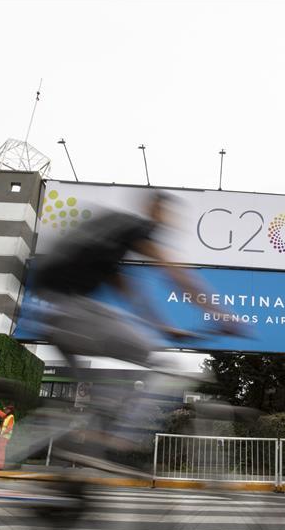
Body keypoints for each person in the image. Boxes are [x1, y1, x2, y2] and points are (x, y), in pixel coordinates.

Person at [30, 190, 243, 453]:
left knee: (100, 398)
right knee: (166, 366)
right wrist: (222, 315)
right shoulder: (136, 228)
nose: (170, 222)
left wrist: (163, 327)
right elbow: (177, 275)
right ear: (154, 208)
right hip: (72, 309)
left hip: (50, 316)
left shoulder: (108, 241)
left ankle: (84, 442)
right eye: (168, 214)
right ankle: (124, 439)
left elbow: (132, 297)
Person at [0, 403, 15, 470]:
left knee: (0, 451)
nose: (5, 410)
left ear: (9, 410)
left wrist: (2, 433)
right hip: (2, 436)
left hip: (4, 436)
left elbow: (9, 427)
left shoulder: (11, 417)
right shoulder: (7, 416)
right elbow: (1, 414)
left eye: (6, 409)